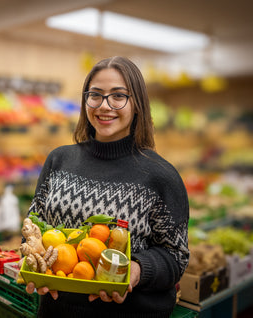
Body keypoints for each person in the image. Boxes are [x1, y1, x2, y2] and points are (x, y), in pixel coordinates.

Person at [24, 56, 189, 318]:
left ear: (137, 105)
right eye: (96, 95)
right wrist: (36, 267)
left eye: (118, 96)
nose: (105, 106)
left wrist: (135, 270)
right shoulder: (59, 160)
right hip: (57, 311)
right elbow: (33, 228)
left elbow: (176, 256)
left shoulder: (161, 176)